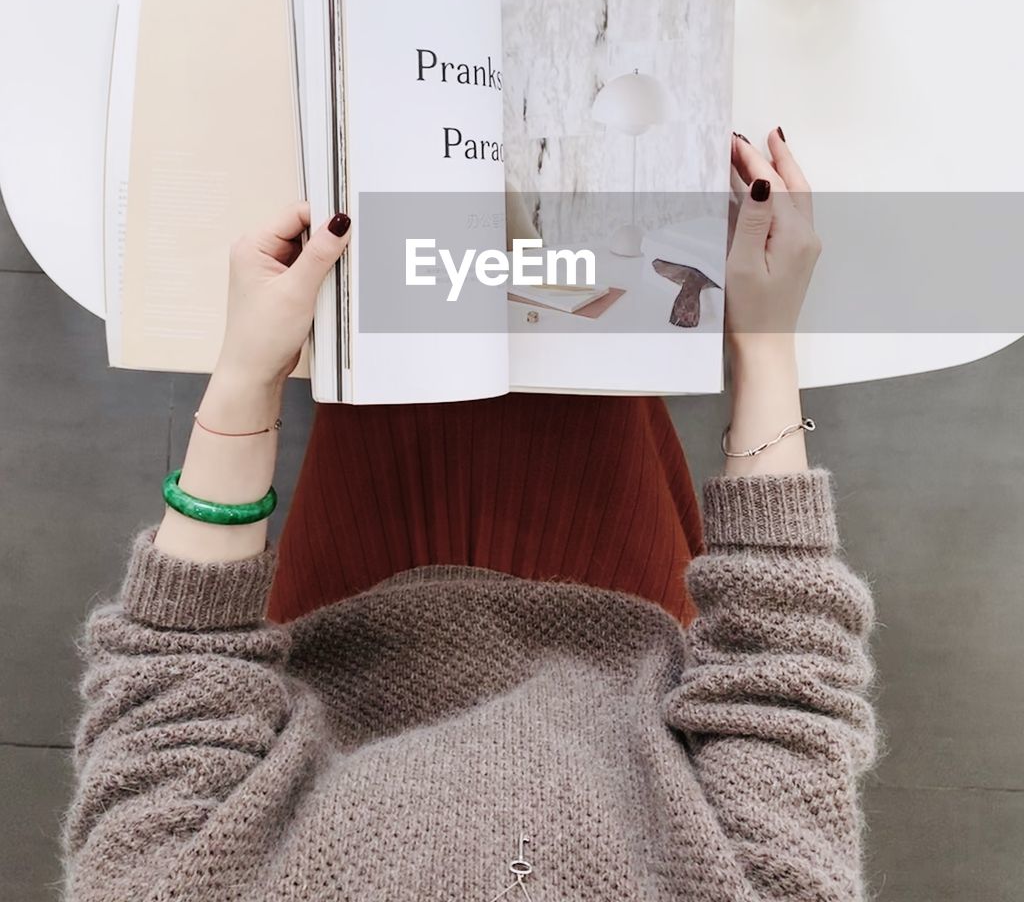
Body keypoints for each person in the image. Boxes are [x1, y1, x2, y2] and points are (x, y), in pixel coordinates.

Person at [59, 129, 879, 901]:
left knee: (391, 342)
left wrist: (246, 377)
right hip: (615, 611)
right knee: (590, 350)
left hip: (351, 620)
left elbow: (169, 710)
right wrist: (764, 348)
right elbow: (782, 697)